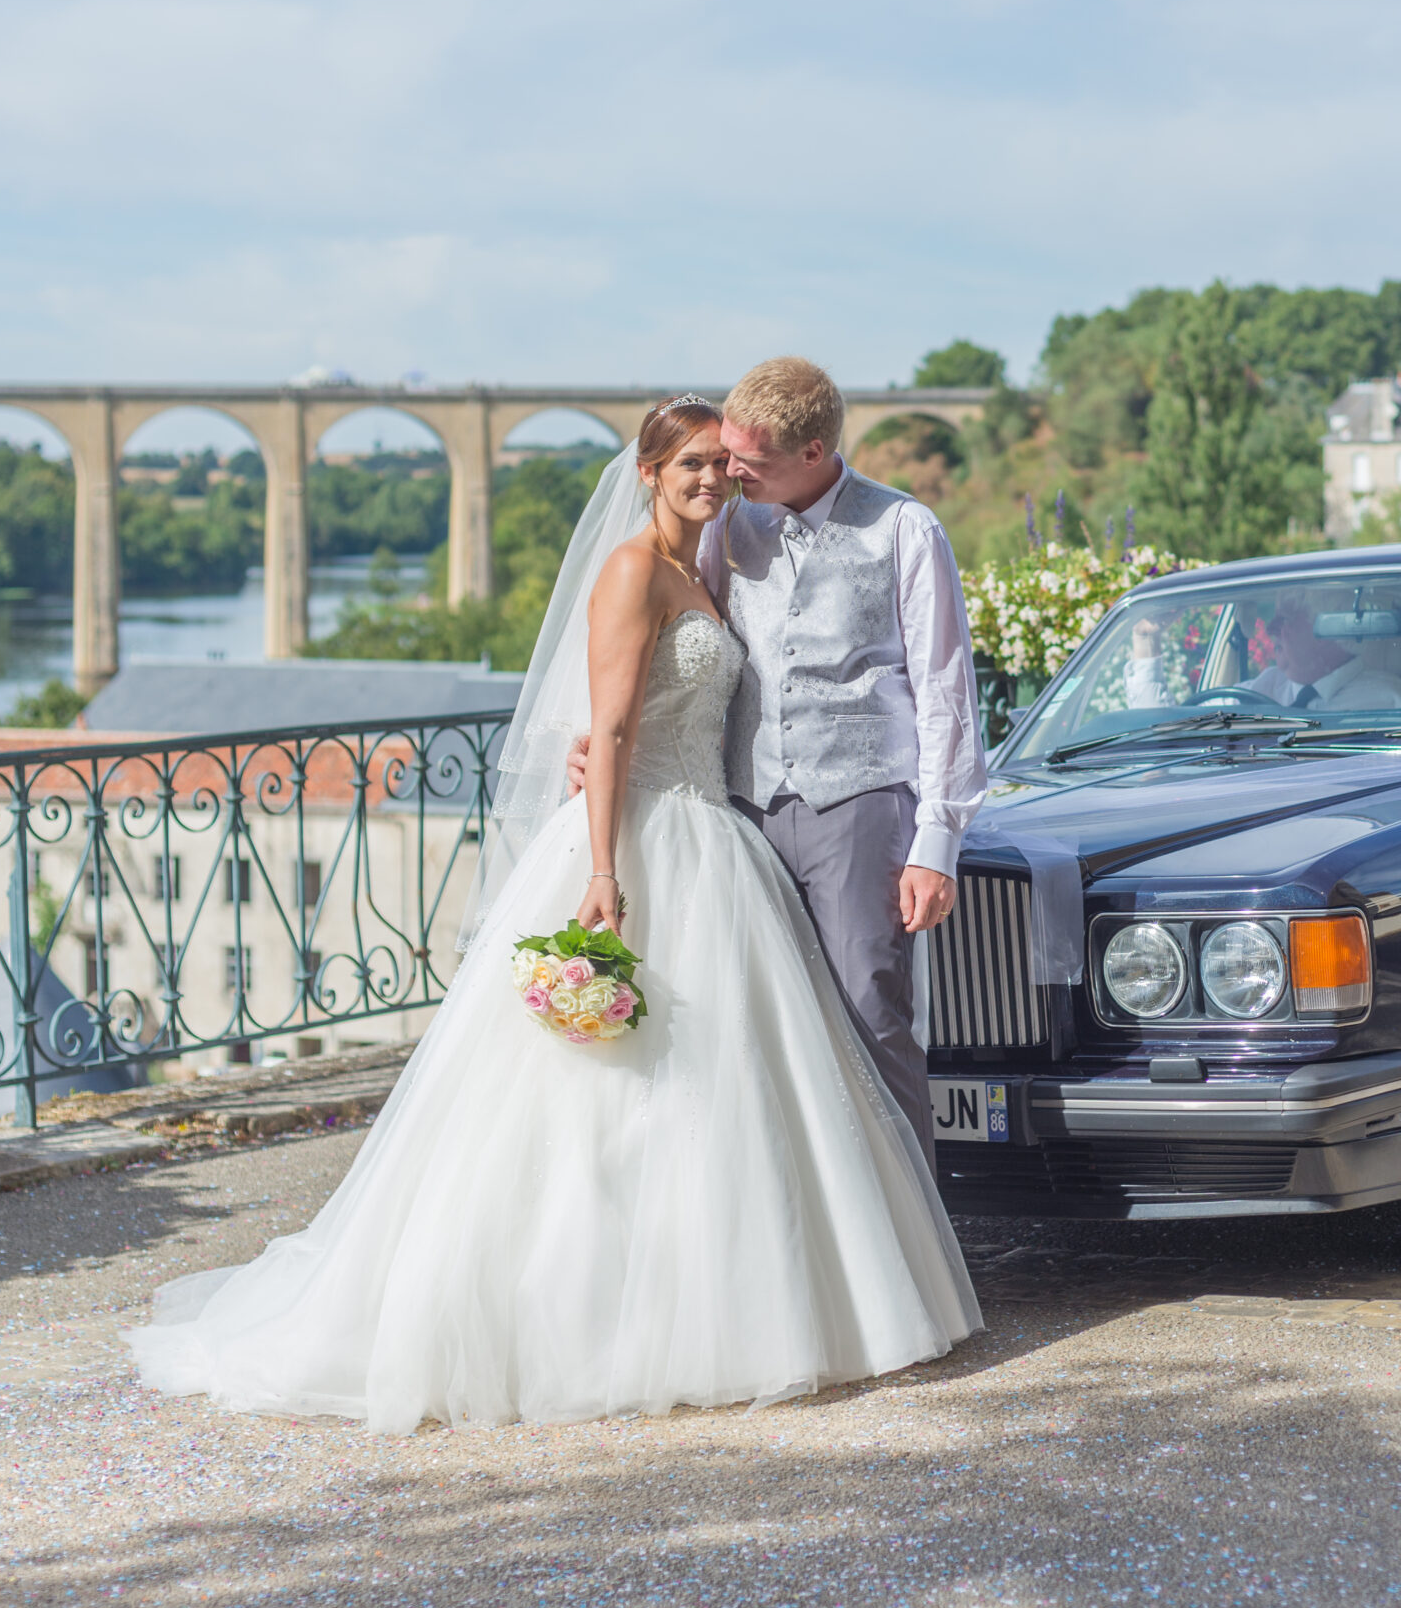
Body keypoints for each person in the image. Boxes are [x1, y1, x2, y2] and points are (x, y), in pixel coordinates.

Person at [127, 398, 981, 1433]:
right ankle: (584, 1313)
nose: (714, 480)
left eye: (722, 465)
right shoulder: (631, 569)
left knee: (726, 1082)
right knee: (602, 1091)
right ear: (648, 472)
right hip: (639, 842)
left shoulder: (716, 559)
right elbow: (610, 726)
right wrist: (604, 868)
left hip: (716, 832)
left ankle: (744, 1291)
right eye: (692, 465)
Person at [571, 357, 990, 1166]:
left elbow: (946, 691)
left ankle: (908, 1225)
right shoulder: (727, 526)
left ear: (812, 452)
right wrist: (608, 741)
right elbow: (680, 651)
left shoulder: (904, 529)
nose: (728, 473)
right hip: (740, 807)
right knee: (760, 1022)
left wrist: (936, 841)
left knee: (869, 1010)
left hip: (861, 803)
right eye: (719, 457)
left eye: (745, 461)